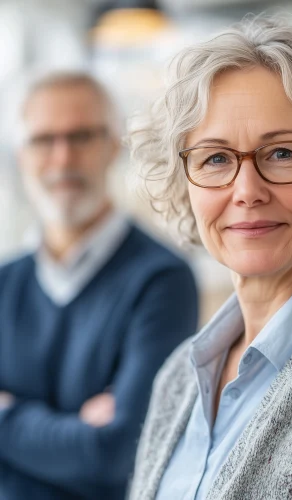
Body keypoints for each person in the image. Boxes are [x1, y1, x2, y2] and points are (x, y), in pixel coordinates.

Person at [128, 15, 292, 500]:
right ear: (185, 184)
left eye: (282, 154)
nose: (247, 191)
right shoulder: (177, 377)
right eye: (215, 158)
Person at [0, 72, 198, 500]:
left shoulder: (162, 280)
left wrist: (7, 415)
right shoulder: (3, 282)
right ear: (20, 155)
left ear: (112, 146)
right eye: (42, 140)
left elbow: (116, 455)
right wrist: (71, 435)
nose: (62, 158)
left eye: (81, 136)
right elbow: (91, 452)